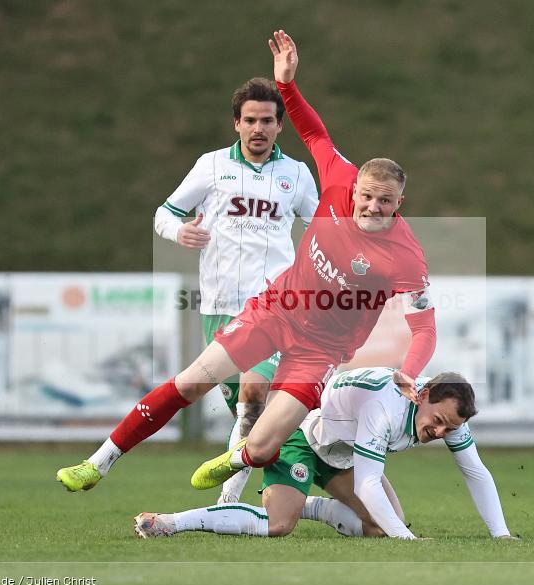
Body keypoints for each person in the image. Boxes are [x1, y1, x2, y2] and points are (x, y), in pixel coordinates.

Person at [55, 29, 437, 495]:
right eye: (369, 196)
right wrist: (288, 85)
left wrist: (410, 374)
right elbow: (314, 130)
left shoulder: (406, 256)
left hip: (322, 351)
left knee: (264, 442)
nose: (375, 208)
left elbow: (425, 328)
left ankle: (235, 465)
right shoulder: (336, 176)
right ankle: (100, 461)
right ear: (355, 188)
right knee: (192, 382)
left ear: (401, 202)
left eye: (387, 202)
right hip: (276, 309)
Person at [152, 77, 318, 503]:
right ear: (236, 124)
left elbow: (321, 231)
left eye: (267, 120)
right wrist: (178, 232)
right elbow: (164, 212)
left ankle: (226, 502)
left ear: (280, 125)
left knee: (253, 391)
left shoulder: (296, 174)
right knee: (248, 413)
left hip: (274, 309)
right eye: (250, 120)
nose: (258, 128)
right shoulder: (210, 166)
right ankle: (293, 477)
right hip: (219, 306)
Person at [133, 368, 516, 540]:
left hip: (343, 455)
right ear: (422, 395)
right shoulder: (385, 406)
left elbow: (476, 473)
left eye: (450, 428)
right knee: (279, 525)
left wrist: (501, 535)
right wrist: (408, 541)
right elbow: (368, 483)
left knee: (380, 527)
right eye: (438, 422)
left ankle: (311, 505)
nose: (441, 432)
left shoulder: (449, 413)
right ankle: (171, 521)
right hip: (301, 436)